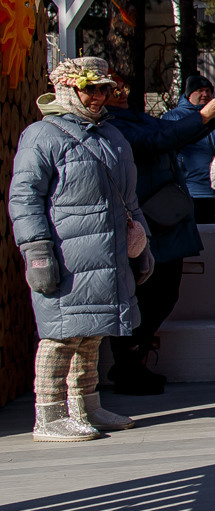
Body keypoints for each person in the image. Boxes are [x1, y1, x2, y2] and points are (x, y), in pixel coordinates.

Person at [11, 57, 150, 441]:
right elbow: (24, 198)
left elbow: (129, 199)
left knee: (93, 334)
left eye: (105, 89)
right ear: (68, 89)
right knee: (61, 336)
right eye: (90, 89)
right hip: (67, 255)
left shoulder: (111, 134)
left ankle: (86, 405)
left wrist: (142, 245)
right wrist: (37, 252)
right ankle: (49, 415)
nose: (99, 97)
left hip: (108, 253)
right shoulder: (42, 135)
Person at [104, 77, 215, 395]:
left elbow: (170, 134)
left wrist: (211, 117)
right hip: (143, 219)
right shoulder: (111, 125)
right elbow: (158, 139)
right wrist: (204, 116)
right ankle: (128, 365)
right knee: (146, 295)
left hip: (162, 217)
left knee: (163, 293)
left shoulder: (134, 118)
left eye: (122, 87)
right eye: (110, 89)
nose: (120, 93)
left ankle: (133, 362)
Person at [164, 73, 215, 224]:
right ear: (189, 93)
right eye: (200, 90)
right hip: (190, 190)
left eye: (208, 90)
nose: (205, 94)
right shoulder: (175, 116)